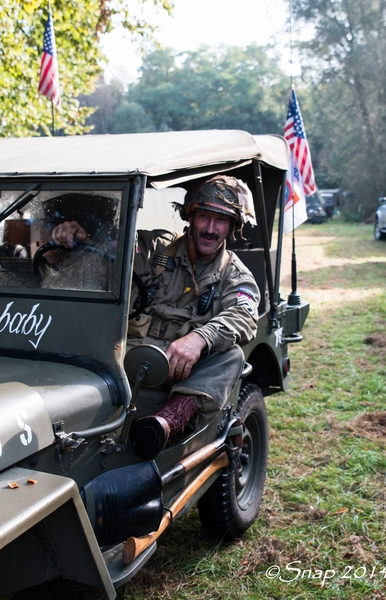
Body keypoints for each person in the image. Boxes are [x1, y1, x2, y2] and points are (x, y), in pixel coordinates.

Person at [51, 175, 260, 460]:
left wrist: (200, 337)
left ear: (232, 227)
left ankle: (164, 424)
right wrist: (81, 236)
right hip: (125, 359)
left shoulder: (235, 275)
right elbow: (114, 249)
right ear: (190, 217)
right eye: (203, 217)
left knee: (232, 355)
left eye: (220, 221)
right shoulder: (154, 249)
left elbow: (244, 316)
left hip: (183, 374)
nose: (210, 229)